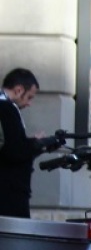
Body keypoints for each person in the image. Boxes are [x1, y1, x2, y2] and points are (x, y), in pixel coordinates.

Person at [0, 68, 60, 218]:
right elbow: (14, 151)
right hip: (9, 195)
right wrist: (36, 144)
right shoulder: (7, 109)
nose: (29, 104)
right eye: (29, 97)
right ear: (19, 90)